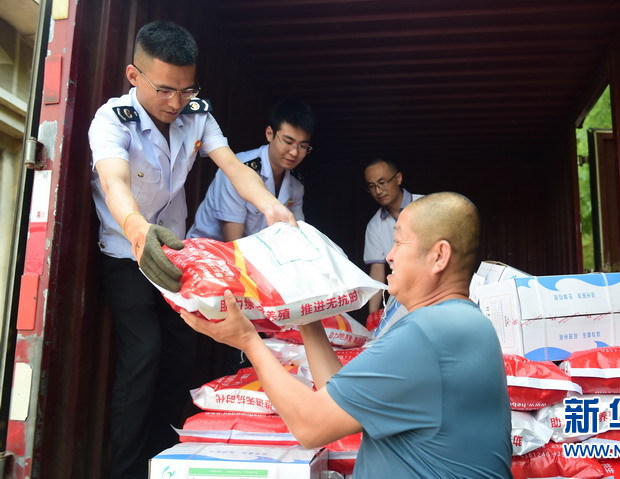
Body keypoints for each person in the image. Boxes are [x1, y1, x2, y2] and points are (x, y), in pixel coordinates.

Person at [88, 21, 295, 479]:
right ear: (134, 75)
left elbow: (234, 167)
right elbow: (114, 181)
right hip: (126, 253)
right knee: (143, 355)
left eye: (187, 89)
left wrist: (270, 205)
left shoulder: (196, 114)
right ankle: (126, 471)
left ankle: (163, 461)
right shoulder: (111, 120)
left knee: (181, 355)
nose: (176, 101)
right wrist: (136, 228)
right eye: (165, 89)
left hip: (175, 255)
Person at [181, 192, 513, 478]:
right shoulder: (459, 324)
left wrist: (248, 342)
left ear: (438, 256)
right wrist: (307, 317)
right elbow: (336, 397)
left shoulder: (428, 333)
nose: (389, 255)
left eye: (399, 241)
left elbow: (311, 427)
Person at [187, 99, 314, 241]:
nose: (294, 152)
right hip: (210, 248)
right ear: (269, 134)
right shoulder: (237, 168)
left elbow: (297, 233)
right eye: (288, 142)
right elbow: (233, 240)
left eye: (302, 146)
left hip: (257, 251)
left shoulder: (296, 184)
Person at [363, 158, 423, 313]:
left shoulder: (427, 205)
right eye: (372, 186)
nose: (378, 191)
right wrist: (372, 316)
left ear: (398, 178)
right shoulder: (374, 225)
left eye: (382, 183)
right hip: (405, 301)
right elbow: (377, 271)